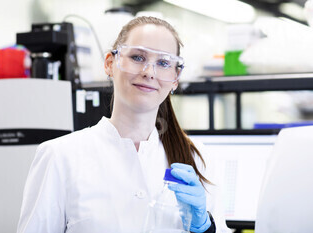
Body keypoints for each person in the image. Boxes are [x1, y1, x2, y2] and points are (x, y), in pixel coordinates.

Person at [17, 16, 231, 233]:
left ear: (175, 78)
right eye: (138, 57)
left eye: (164, 63)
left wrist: (205, 228)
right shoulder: (60, 156)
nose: (149, 72)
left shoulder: (198, 159)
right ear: (110, 63)